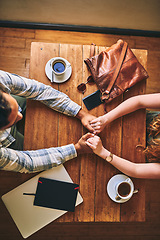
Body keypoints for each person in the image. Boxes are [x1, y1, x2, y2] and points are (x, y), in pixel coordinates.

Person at [0, 70, 95, 173]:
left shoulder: (1, 80)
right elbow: (27, 163)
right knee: (32, 145)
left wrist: (81, 113)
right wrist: (77, 149)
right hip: (6, 143)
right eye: (14, 120)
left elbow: (38, 90)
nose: (20, 115)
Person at [86, 93, 160, 179]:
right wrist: (106, 119)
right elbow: (139, 101)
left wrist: (102, 152)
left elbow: (135, 170)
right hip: (127, 117)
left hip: (128, 157)